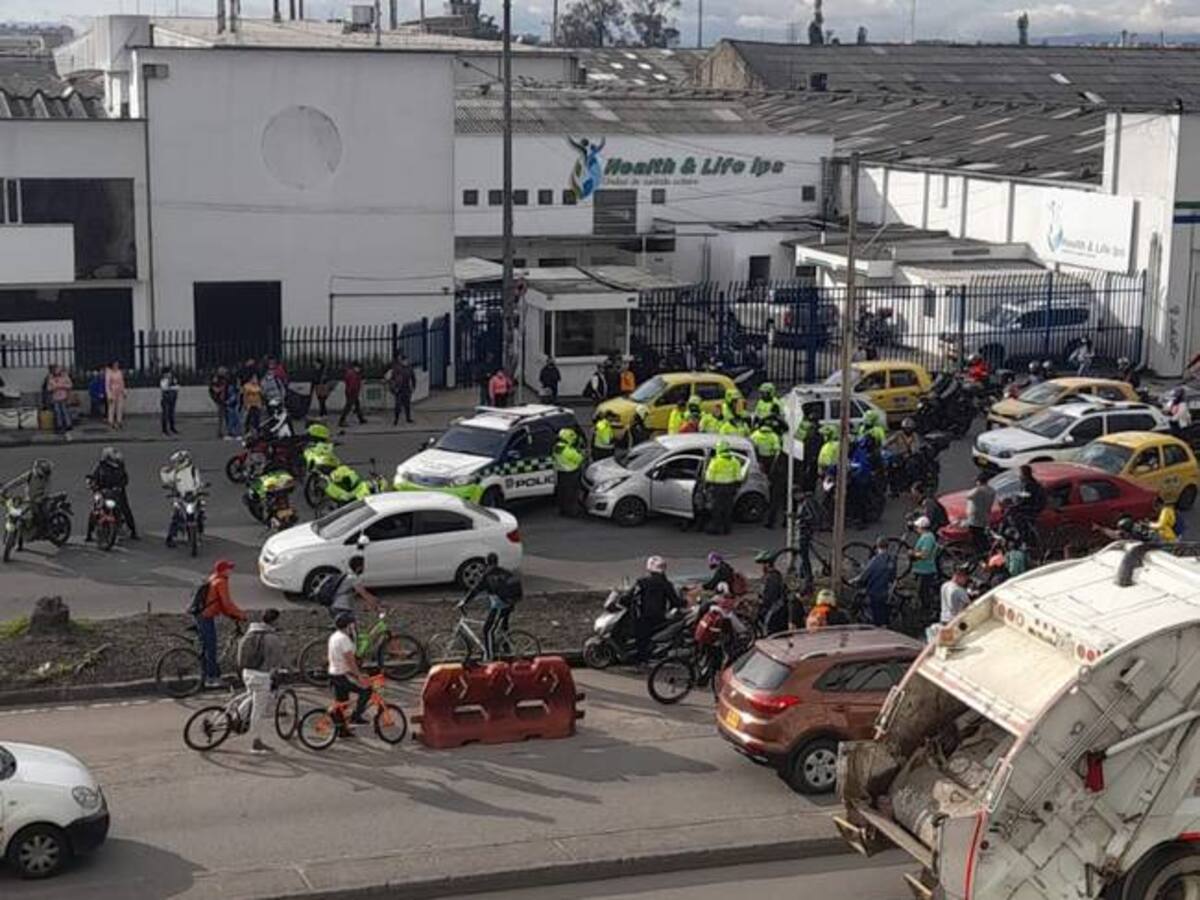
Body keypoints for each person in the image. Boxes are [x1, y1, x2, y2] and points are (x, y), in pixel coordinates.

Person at [237, 608, 286, 754]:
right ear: (275, 621)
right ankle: (256, 743)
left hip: (246, 672)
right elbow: (278, 659)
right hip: (260, 676)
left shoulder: (251, 631)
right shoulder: (272, 638)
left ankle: (234, 719)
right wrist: (288, 668)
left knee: (251, 696)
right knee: (258, 712)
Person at [194, 560, 247, 688]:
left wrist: (230, 614)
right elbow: (227, 603)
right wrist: (240, 614)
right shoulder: (221, 582)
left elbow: (218, 603)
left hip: (201, 614)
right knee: (211, 648)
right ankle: (212, 678)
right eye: (229, 568)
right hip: (206, 617)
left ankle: (209, 672)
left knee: (207, 647)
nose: (231, 571)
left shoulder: (213, 578)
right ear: (223, 571)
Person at [463, 552, 522, 660]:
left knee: (487, 630)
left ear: (486, 562)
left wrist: (464, 602)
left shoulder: (488, 575)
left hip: (500, 606)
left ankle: (489, 657)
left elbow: (475, 590)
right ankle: (507, 650)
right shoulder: (505, 572)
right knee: (503, 628)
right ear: (497, 561)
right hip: (510, 603)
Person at [328, 612, 372, 736]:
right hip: (342, 674)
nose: (354, 626)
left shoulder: (334, 636)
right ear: (348, 625)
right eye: (352, 624)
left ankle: (342, 729)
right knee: (367, 689)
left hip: (334, 673)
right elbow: (350, 662)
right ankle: (356, 717)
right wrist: (359, 676)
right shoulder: (345, 640)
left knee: (343, 702)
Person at [631, 555, 683, 662]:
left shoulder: (641, 582)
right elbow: (675, 601)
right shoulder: (666, 584)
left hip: (643, 617)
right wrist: (685, 603)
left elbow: (629, 596)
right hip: (659, 617)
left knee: (640, 635)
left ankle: (642, 657)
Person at [87, 447, 137, 541]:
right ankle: (89, 534)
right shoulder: (100, 466)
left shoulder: (119, 467)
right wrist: (92, 484)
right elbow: (94, 477)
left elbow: (125, 479)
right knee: (95, 511)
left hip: (116, 492)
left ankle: (133, 531)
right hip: (102, 492)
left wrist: (119, 487)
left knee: (125, 509)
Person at [162, 449, 204, 547]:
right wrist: (164, 472)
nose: (177, 463)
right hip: (181, 497)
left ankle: (199, 532)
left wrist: (199, 489)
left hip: (193, 497)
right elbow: (167, 480)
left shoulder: (193, 470)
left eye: (179, 461)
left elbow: (198, 482)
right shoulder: (176, 472)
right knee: (176, 516)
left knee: (200, 512)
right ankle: (170, 538)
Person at [856, 537, 897, 627]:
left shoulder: (875, 560)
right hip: (887, 591)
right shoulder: (892, 559)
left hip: (875, 591)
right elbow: (893, 576)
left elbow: (866, 574)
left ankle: (879, 629)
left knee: (876, 614)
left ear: (878, 547)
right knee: (885, 612)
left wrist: (856, 580)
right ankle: (886, 627)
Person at [704, 440, 742, 535]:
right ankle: (727, 529)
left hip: (718, 488)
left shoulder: (716, 461)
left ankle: (716, 529)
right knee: (728, 509)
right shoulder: (735, 461)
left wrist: (707, 486)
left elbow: (709, 476)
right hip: (730, 487)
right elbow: (738, 477)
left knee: (717, 509)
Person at [911, 516, 940, 623]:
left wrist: (914, 555)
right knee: (922, 592)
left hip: (926, 570)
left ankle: (927, 612)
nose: (916, 528)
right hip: (922, 569)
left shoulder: (927, 538)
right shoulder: (926, 536)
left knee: (924, 592)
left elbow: (925, 554)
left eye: (917, 526)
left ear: (921, 527)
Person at [1010, 464, 1046, 548]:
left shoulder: (1028, 484)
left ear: (1024, 474)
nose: (1019, 475)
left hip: (1031, 508)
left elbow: (1026, 497)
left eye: (1020, 473)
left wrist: (1015, 504)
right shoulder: (1030, 482)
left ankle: (1023, 539)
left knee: (1017, 517)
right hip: (1032, 505)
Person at [755, 550, 789, 636]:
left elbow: (770, 596)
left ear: (767, 564)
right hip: (771, 610)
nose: (762, 567)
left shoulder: (773, 577)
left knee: (770, 633)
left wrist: (761, 602)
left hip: (774, 613)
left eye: (763, 564)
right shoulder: (769, 576)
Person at [552, 428, 584, 517]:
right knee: (572, 494)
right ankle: (572, 512)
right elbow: (579, 459)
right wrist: (580, 452)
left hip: (561, 473)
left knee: (562, 493)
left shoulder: (556, 447)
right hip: (571, 473)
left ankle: (562, 510)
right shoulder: (568, 450)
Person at [964, 472, 996, 557]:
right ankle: (985, 552)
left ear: (979, 481)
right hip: (985, 516)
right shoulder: (991, 491)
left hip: (974, 518)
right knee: (982, 535)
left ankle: (979, 555)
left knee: (975, 537)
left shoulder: (978, 490)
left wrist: (977, 487)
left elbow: (968, 496)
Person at [384, 354, 415, 426]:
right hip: (399, 389)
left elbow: (413, 378)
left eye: (407, 360)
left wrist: (413, 387)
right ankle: (396, 419)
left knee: (407, 405)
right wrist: (393, 387)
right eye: (405, 360)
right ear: (402, 361)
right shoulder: (397, 368)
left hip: (406, 388)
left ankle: (408, 418)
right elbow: (391, 378)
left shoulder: (409, 368)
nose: (406, 362)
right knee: (398, 405)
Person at [339, 361, 367, 428]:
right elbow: (353, 384)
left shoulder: (352, 373)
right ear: (355, 367)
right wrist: (352, 391)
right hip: (352, 392)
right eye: (359, 368)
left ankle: (361, 419)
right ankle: (341, 421)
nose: (359, 369)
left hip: (352, 392)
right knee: (348, 407)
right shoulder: (353, 374)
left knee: (357, 405)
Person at [47, 366, 72, 435]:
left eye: (59, 370)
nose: (57, 371)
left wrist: (63, 386)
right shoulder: (51, 378)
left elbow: (70, 385)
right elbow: (49, 388)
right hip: (55, 397)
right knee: (57, 411)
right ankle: (59, 425)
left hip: (64, 396)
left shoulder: (65, 377)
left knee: (64, 410)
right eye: (56, 370)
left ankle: (68, 424)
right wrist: (54, 388)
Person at [209, 367, 231, 438]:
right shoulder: (217, 379)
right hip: (220, 399)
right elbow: (214, 388)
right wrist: (220, 389)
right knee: (221, 416)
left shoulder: (226, 379)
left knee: (227, 416)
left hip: (225, 399)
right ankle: (221, 431)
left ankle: (227, 430)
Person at [104, 360, 126, 430]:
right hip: (112, 391)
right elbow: (107, 384)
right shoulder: (109, 373)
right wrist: (109, 395)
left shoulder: (119, 372)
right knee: (112, 407)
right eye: (115, 364)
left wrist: (124, 391)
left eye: (117, 364)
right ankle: (111, 421)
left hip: (119, 391)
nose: (116, 366)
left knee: (120, 407)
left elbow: (122, 382)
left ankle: (119, 421)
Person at [159, 365, 180, 436]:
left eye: (169, 373)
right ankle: (164, 430)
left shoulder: (173, 379)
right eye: (167, 373)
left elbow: (177, 387)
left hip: (173, 398)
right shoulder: (163, 380)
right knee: (165, 414)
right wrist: (171, 386)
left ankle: (172, 428)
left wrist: (172, 386)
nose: (169, 374)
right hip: (166, 399)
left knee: (171, 414)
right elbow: (164, 388)